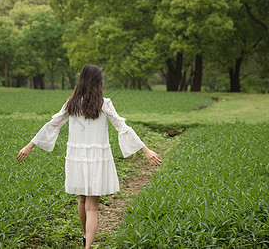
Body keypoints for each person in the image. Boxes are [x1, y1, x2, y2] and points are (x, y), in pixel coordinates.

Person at [17, 64, 161, 248]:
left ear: (81, 80)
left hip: (76, 156)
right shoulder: (104, 103)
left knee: (81, 199)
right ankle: (87, 245)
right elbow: (122, 127)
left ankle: (86, 235)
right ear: (98, 82)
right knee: (92, 207)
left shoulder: (71, 103)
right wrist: (146, 150)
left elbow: (52, 125)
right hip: (97, 158)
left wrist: (29, 146)